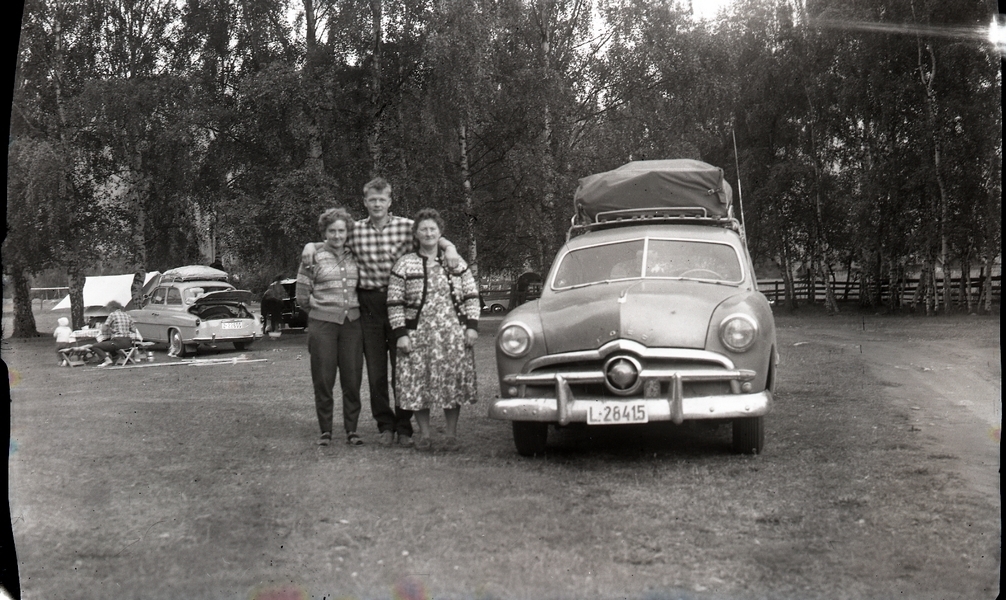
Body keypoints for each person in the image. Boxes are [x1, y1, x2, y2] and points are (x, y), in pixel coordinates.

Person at [302, 177, 460, 447]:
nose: (377, 204)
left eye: (382, 199)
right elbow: (331, 239)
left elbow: (431, 234)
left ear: (389, 201)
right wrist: (309, 246)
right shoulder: (356, 230)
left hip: (400, 300)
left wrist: (450, 247)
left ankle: (404, 427)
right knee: (376, 372)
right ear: (365, 202)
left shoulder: (405, 227)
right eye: (371, 200)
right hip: (369, 305)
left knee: (403, 368)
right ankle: (385, 426)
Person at [386, 208, 480, 452]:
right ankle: (425, 435)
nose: (428, 233)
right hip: (418, 336)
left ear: (440, 233)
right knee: (419, 384)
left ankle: (451, 435)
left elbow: (471, 295)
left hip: (453, 335)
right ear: (416, 234)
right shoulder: (405, 264)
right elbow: (394, 302)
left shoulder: (456, 262)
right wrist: (401, 334)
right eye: (423, 229)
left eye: (432, 229)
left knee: (452, 384)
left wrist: (471, 327)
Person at [296, 208, 365, 447]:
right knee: (324, 379)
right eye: (332, 231)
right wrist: (319, 312)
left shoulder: (357, 254)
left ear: (348, 232)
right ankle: (325, 430)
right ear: (325, 232)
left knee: (352, 378)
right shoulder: (312, 256)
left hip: (352, 325)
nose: (337, 235)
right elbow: (302, 296)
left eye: (341, 231)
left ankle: (352, 430)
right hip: (322, 325)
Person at [91, 301, 142, 368]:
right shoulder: (127, 315)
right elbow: (133, 330)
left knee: (95, 346)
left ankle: (107, 360)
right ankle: (116, 358)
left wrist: (107, 327)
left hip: (118, 342)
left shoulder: (112, 315)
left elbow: (104, 329)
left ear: (111, 308)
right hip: (128, 342)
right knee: (110, 342)